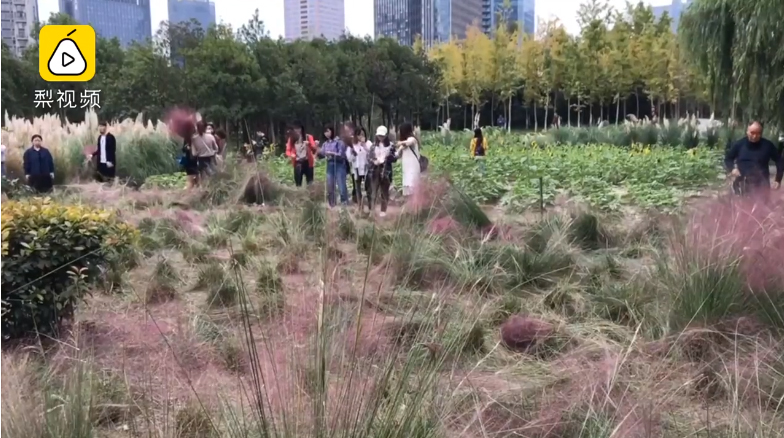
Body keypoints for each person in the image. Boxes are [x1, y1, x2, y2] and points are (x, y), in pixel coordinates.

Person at [724, 121, 783, 198]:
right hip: (742, 183)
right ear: (747, 132)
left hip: (762, 184)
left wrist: (778, 179)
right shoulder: (739, 144)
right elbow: (728, 158)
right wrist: (732, 169)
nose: (755, 136)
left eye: (758, 133)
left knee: (761, 208)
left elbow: (780, 161)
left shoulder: (768, 146)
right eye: (752, 133)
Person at [369, 126, 396, 217]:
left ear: (386, 136)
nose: (380, 137)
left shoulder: (391, 146)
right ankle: (372, 210)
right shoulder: (373, 146)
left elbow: (394, 159)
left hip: (386, 170)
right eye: (379, 135)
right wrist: (374, 161)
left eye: (382, 135)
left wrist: (388, 157)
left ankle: (383, 211)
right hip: (375, 170)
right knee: (373, 191)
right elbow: (369, 157)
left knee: (384, 191)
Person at [322, 125, 349, 207]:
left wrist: (332, 154)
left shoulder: (338, 142)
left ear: (332, 131)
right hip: (330, 165)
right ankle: (332, 204)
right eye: (325, 132)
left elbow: (342, 154)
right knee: (330, 185)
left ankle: (344, 203)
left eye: (328, 131)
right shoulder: (325, 144)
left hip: (339, 165)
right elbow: (322, 153)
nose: (326, 133)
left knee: (341, 184)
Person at [285, 121, 317, 187]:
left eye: (299, 129)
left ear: (302, 129)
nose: (297, 131)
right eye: (295, 129)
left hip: (308, 162)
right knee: (298, 183)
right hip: (298, 163)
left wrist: (309, 144)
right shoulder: (291, 139)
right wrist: (291, 154)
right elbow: (287, 151)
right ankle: (300, 195)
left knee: (310, 183)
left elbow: (314, 149)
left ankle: (311, 194)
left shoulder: (308, 137)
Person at [395, 122, 422, 197]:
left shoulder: (412, 139)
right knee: (408, 191)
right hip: (406, 169)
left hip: (413, 168)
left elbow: (409, 142)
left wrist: (400, 143)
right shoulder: (403, 144)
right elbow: (397, 155)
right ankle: (411, 207)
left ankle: (416, 208)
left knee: (414, 189)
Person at [347, 127, 370, 209]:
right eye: (359, 135)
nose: (361, 136)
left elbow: (372, 155)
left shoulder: (368, 143)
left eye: (362, 134)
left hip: (366, 169)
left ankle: (370, 205)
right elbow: (349, 159)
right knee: (357, 187)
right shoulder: (352, 145)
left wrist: (364, 146)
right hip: (356, 169)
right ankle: (360, 206)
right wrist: (353, 154)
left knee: (368, 187)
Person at [180, 122, 199, 189]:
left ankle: (193, 186)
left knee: (195, 173)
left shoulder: (196, 137)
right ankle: (191, 187)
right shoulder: (187, 138)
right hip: (189, 158)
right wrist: (187, 148)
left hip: (195, 158)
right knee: (191, 173)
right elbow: (183, 149)